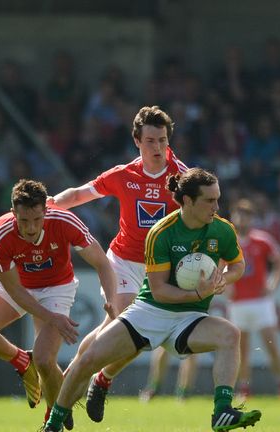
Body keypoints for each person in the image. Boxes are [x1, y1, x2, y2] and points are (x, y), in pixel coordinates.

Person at [43, 168, 262, 432]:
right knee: (87, 360)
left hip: (190, 318)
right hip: (149, 312)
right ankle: (53, 424)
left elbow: (237, 265)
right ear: (188, 201)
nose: (217, 206)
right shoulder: (161, 233)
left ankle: (222, 412)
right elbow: (158, 291)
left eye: (218, 199)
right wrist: (198, 293)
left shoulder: (222, 230)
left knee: (230, 334)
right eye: (209, 200)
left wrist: (222, 280)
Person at [48, 105, 197, 412]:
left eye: (163, 140)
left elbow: (205, 216)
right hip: (124, 261)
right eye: (151, 140)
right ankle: (73, 385)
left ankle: (97, 379)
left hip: (161, 267)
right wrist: (48, 206)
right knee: (125, 320)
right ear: (137, 141)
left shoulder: (182, 177)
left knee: (134, 336)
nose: (158, 147)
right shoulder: (123, 175)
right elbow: (78, 195)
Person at [0, 179, 118, 430]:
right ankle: (23, 361)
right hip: (19, 286)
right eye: (24, 221)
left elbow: (101, 262)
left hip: (57, 288)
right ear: (13, 213)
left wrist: (111, 300)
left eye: (37, 219)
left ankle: (51, 418)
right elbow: (15, 290)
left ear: (46, 210)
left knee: (45, 360)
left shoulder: (65, 221)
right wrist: (53, 318)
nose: (31, 228)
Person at [226, 198, 280, 400]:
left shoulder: (262, 239)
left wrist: (272, 284)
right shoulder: (229, 241)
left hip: (260, 302)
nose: (242, 219)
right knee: (242, 349)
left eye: (246, 215)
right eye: (239, 214)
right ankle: (245, 389)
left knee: (271, 345)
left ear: (252, 219)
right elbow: (219, 267)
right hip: (238, 303)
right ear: (234, 217)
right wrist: (226, 287)